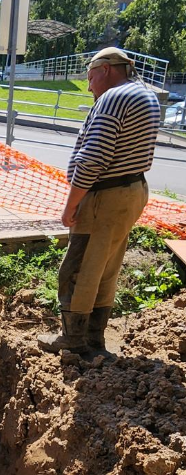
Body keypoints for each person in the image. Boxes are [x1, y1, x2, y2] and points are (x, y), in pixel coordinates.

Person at [39, 47, 160, 357]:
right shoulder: (145, 95)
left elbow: (93, 159)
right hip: (131, 191)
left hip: (104, 196)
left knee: (78, 268)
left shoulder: (113, 98)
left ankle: (74, 340)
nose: (89, 85)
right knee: (106, 266)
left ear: (106, 69)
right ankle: (95, 339)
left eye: (90, 76)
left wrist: (70, 205)